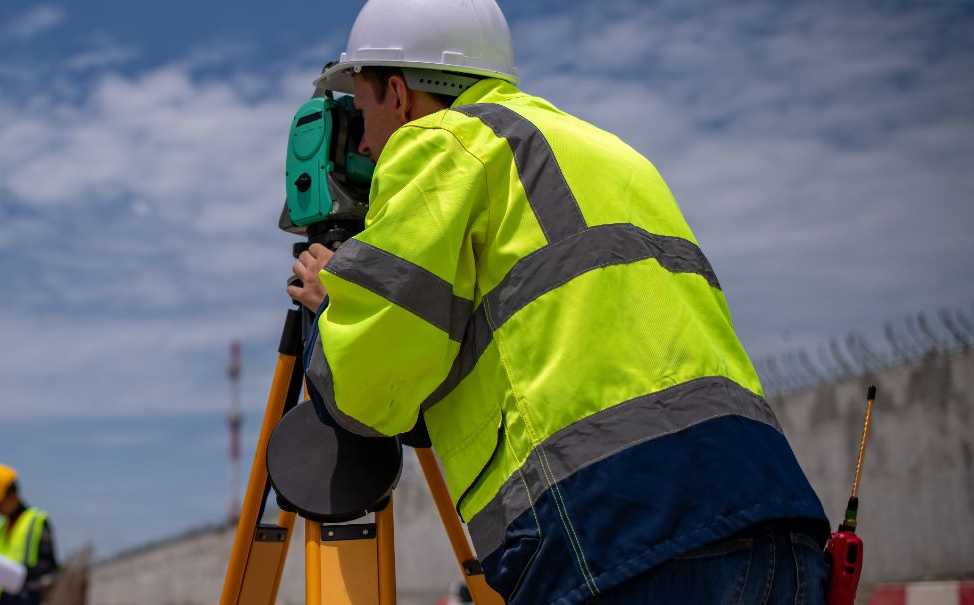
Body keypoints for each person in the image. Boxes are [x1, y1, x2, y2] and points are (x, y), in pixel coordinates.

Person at [289, 1, 829, 603]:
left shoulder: (441, 144)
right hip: (776, 514)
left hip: (612, 526)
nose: (362, 144)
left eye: (361, 112)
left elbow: (369, 394)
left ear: (398, 93)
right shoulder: (610, 152)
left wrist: (333, 305)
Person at [0, 464, 57, 605]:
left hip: (26, 598)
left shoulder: (36, 521)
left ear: (12, 494)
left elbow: (48, 564)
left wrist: (19, 573)